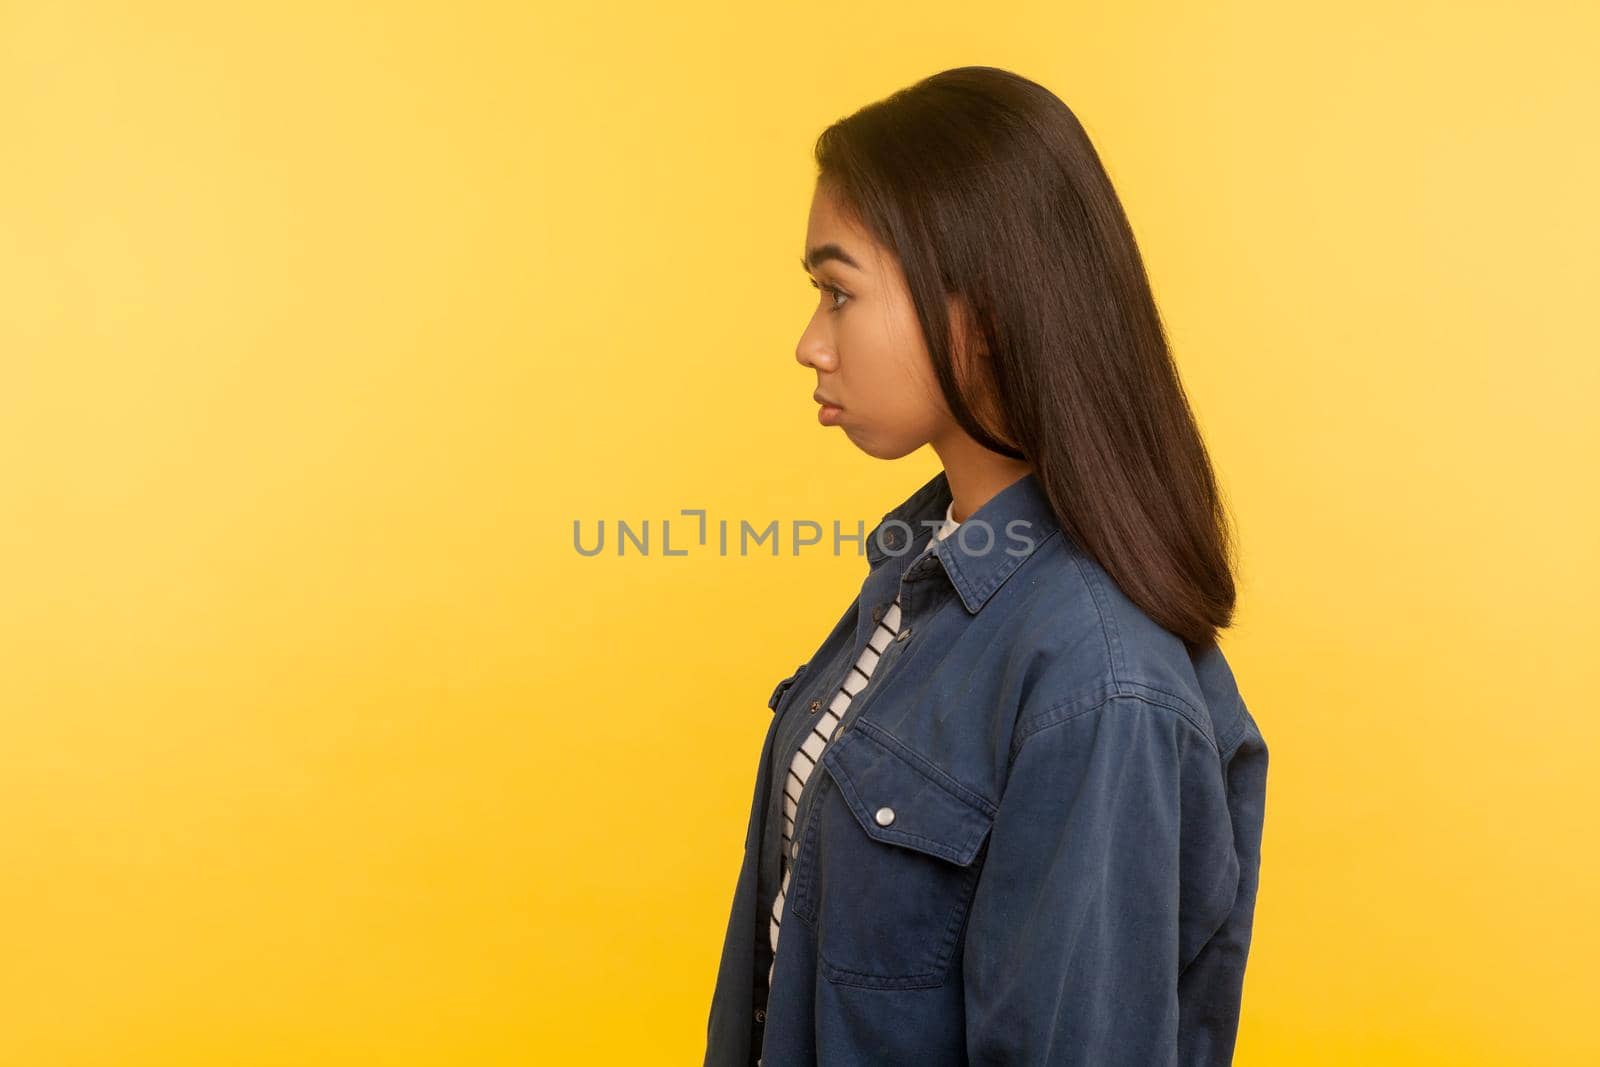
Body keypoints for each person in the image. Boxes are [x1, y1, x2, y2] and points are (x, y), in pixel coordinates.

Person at [705, 66, 1269, 1067]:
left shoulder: (1098, 680)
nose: (807, 342)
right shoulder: (926, 567)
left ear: (985, 312)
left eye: (838, 292)